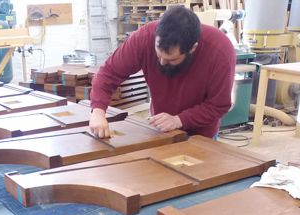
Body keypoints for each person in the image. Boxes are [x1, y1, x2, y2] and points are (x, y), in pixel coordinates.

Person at [88, 6, 236, 138]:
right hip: (161, 130)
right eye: (159, 55)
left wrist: (179, 120)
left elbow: (219, 104)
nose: (162, 62)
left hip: (202, 135)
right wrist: (98, 111)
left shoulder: (219, 50)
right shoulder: (144, 38)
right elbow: (108, 74)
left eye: (172, 59)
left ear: (192, 48)